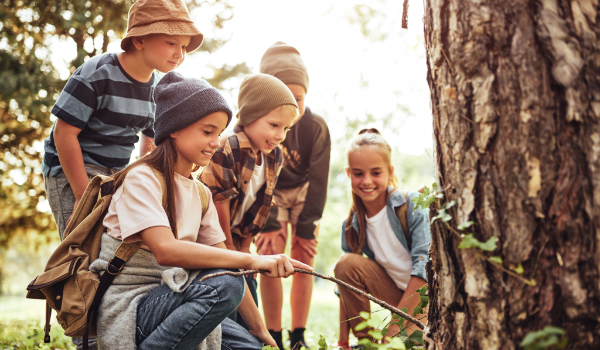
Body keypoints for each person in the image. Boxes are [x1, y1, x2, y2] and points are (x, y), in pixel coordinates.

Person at [88, 71, 311, 350]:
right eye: (208, 132)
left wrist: (260, 331)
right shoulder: (142, 178)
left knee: (248, 344)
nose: (217, 142)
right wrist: (255, 262)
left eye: (219, 133)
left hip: (175, 298)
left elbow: (227, 263)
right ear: (174, 128)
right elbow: (165, 250)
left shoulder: (201, 194)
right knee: (226, 285)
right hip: (134, 308)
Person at [41, 0, 202, 348]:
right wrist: (87, 194)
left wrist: (143, 180)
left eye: (184, 46)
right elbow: (63, 134)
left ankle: (112, 324)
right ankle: (84, 331)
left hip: (116, 173)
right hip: (72, 170)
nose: (179, 53)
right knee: (83, 250)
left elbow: (149, 141)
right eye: (171, 43)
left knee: (113, 250)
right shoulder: (97, 74)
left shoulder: (158, 90)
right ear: (140, 40)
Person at [200, 73, 299, 330]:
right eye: (274, 125)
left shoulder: (274, 156)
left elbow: (263, 204)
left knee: (249, 299)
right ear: (251, 116)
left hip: (238, 241)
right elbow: (218, 200)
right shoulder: (227, 147)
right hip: (212, 240)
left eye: (286, 129)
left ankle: (254, 337)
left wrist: (244, 247)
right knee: (226, 308)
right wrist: (230, 248)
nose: (280, 135)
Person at [254, 41, 331, 350]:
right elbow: (258, 178)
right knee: (271, 254)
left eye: (297, 98)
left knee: (302, 256)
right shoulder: (258, 126)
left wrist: (307, 227)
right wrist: (270, 222)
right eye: (282, 97)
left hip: (303, 192)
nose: (292, 107)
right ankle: (273, 334)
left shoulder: (315, 126)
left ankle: (297, 334)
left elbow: (320, 180)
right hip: (267, 194)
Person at [334, 129, 430, 349]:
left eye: (376, 173)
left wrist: (396, 325)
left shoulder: (411, 204)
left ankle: (408, 333)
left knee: (405, 344)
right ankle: (367, 343)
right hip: (396, 297)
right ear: (349, 174)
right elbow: (344, 287)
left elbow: (424, 267)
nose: (367, 181)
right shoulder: (352, 225)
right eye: (358, 174)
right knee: (345, 263)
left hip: (427, 300)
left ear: (389, 171)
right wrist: (342, 342)